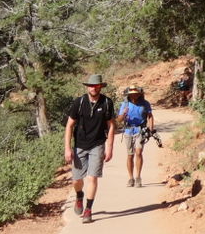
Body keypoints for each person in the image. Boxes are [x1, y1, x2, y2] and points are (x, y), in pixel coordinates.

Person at [64, 73, 116, 224]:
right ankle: (79, 195)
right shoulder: (79, 102)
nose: (94, 88)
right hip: (79, 145)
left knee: (92, 177)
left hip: (97, 145)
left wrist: (110, 147)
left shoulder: (107, 102)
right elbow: (69, 125)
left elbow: (111, 125)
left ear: (100, 87)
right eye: (91, 86)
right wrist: (67, 148)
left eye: (96, 86)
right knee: (76, 180)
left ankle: (88, 209)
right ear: (88, 87)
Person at [116, 84, 155, 187]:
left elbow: (150, 116)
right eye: (132, 94)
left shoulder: (145, 104)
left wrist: (151, 129)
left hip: (140, 130)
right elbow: (119, 119)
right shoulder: (125, 104)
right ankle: (131, 178)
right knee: (130, 155)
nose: (134, 96)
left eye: (136, 94)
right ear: (128, 95)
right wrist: (123, 114)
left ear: (139, 94)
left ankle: (138, 177)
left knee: (138, 152)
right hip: (128, 131)